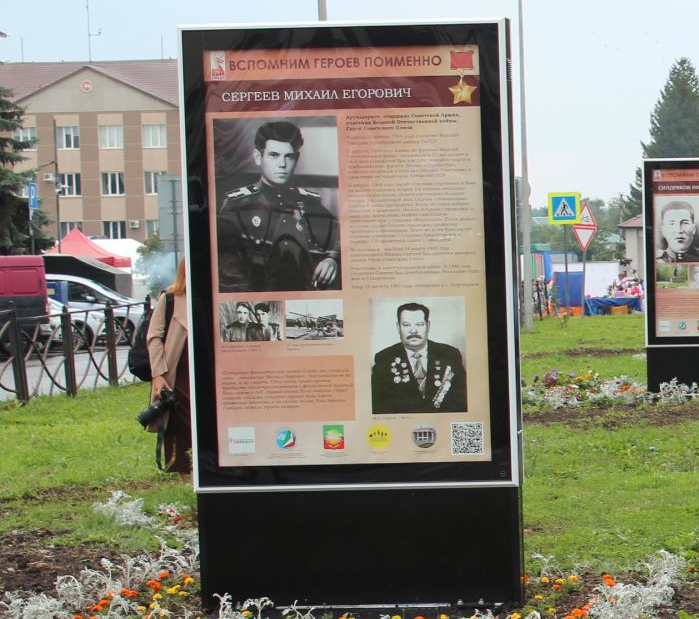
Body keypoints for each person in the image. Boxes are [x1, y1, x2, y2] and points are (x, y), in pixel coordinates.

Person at [216, 121, 340, 292]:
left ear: (296, 160)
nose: (282, 164)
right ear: (259, 157)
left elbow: (339, 236)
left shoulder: (310, 202)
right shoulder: (237, 205)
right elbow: (227, 270)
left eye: (288, 157)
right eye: (274, 155)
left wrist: (332, 259)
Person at [370, 302, 468, 413]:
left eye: (419, 324)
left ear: (428, 326)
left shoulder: (449, 354)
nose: (413, 330)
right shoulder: (384, 359)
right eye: (406, 325)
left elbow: (462, 402)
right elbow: (378, 407)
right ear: (398, 327)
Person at [146, 261, 193, 475]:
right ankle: (181, 472)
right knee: (179, 423)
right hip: (176, 375)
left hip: (210, 375)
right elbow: (154, 337)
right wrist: (158, 374)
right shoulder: (170, 298)